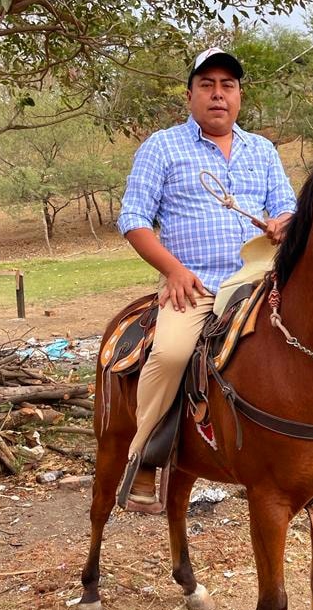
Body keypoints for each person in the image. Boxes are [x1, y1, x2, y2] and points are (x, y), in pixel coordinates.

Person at [116, 47, 296, 511]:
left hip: (263, 278)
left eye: (228, 86)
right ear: (190, 94)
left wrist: (282, 223)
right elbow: (134, 219)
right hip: (197, 286)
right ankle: (146, 458)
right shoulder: (162, 146)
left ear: (239, 96)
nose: (219, 95)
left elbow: (288, 207)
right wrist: (173, 270)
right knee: (173, 353)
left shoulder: (262, 149)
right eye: (208, 85)